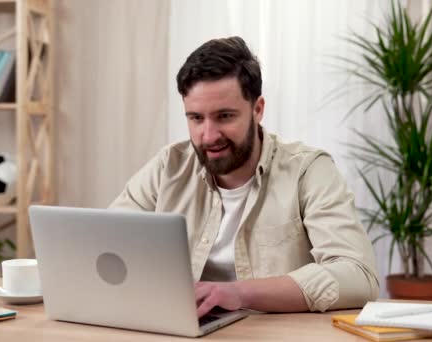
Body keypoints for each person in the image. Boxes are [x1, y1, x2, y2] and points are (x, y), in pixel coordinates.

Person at [110, 36, 379, 317]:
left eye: (224, 116)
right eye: (196, 118)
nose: (209, 135)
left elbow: (358, 275)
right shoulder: (169, 167)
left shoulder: (308, 170)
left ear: (257, 109)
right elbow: (107, 245)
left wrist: (238, 293)